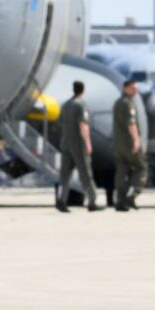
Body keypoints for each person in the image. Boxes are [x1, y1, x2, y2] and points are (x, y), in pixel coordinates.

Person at [54, 80, 97, 213]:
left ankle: (61, 200)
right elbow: (83, 125)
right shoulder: (81, 105)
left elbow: (60, 122)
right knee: (85, 174)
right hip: (78, 145)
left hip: (65, 143)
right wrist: (88, 143)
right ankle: (92, 201)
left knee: (64, 175)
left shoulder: (65, 105)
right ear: (82, 91)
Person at [111, 79, 148, 212]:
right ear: (125, 88)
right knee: (142, 168)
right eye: (133, 88)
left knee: (121, 172)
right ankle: (131, 195)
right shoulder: (128, 104)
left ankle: (120, 202)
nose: (135, 91)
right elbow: (131, 124)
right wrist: (136, 140)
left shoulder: (117, 103)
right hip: (129, 144)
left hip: (118, 144)